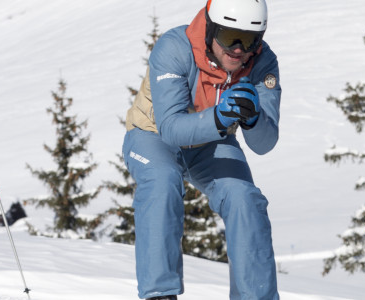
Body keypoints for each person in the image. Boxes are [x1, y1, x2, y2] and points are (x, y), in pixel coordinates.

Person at [121, 0, 281, 298]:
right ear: (210, 28)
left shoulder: (262, 63)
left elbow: (265, 143)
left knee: (244, 198)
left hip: (212, 141)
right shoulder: (175, 47)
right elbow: (170, 128)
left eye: (248, 40)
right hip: (154, 135)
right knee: (162, 182)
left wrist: (255, 118)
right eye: (228, 36)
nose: (237, 49)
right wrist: (220, 116)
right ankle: (160, 293)